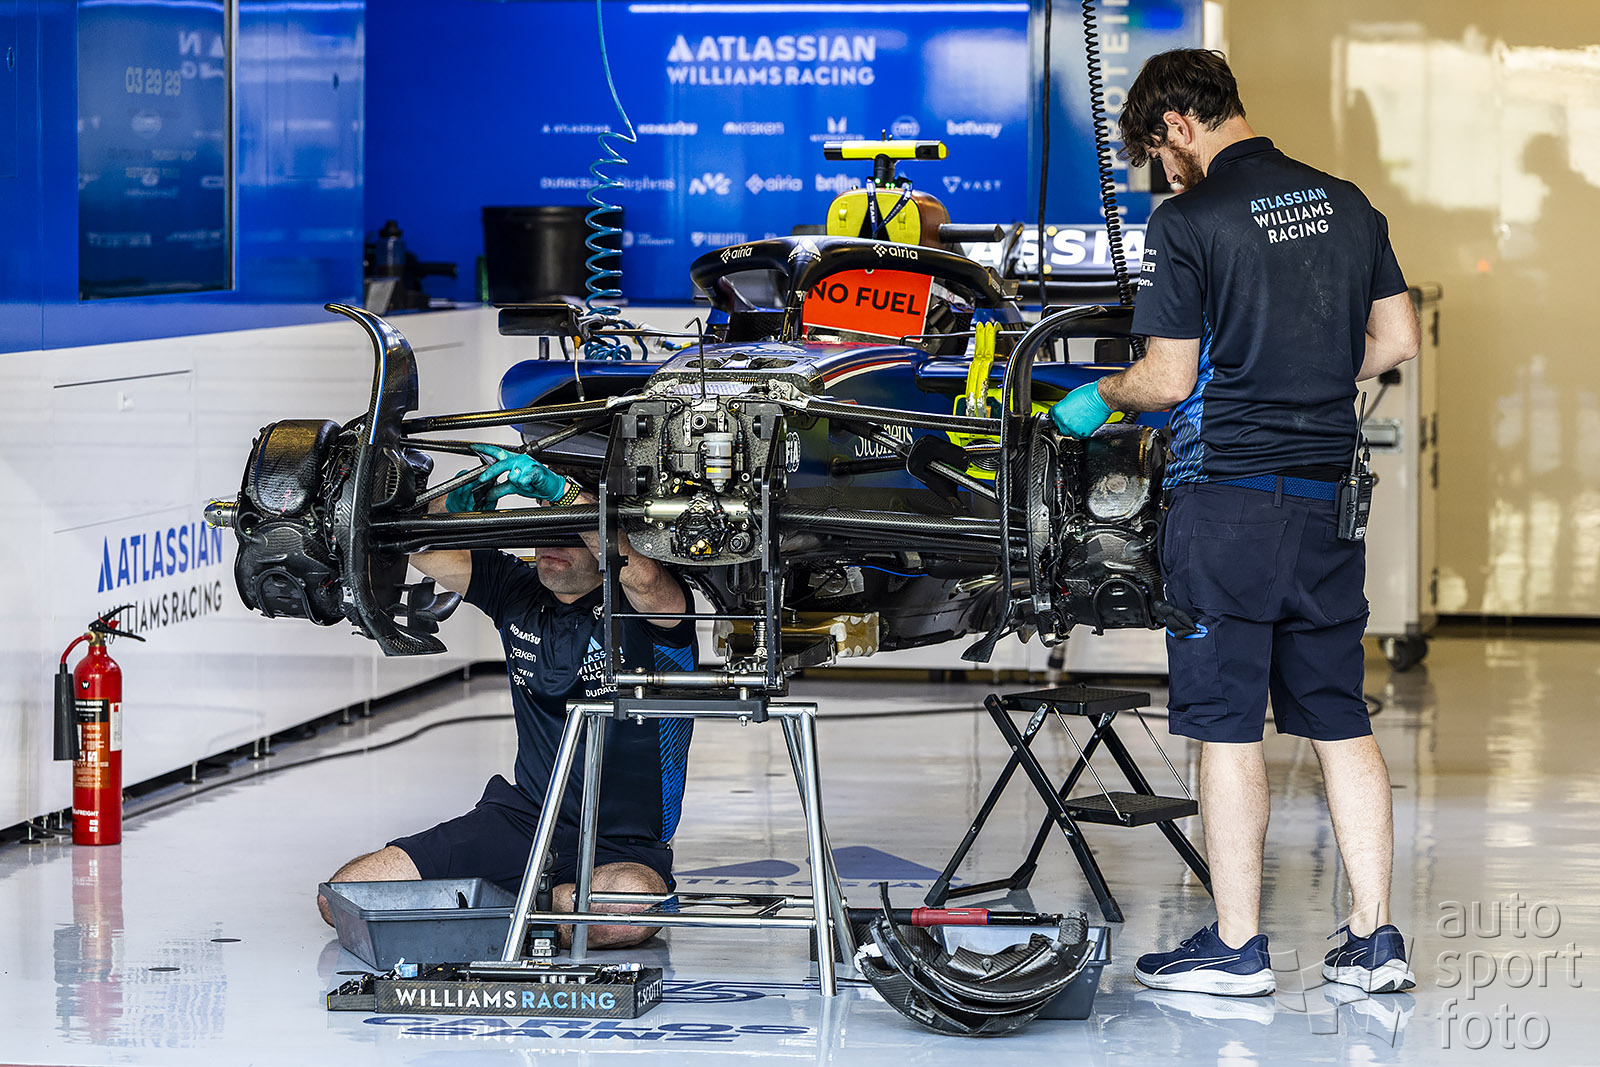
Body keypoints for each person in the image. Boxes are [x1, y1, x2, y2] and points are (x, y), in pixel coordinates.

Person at [1050, 49, 1421, 996]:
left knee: (1226, 725)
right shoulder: (1347, 202)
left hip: (1228, 505)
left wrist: (1098, 397)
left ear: (1179, 124)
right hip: (1329, 501)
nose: (1164, 175)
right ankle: (1374, 937)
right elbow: (1397, 339)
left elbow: (1168, 379)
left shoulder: (1191, 220)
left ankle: (1237, 944)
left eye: (1159, 154)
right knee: (1338, 714)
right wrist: (1309, 376)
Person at [316, 445, 696, 949]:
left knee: (626, 910)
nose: (548, 540)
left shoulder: (650, 610)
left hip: (622, 843)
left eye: (568, 529)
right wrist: (452, 503)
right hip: (521, 818)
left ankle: (497, 904)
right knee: (346, 896)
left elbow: (642, 576)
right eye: (542, 523)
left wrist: (564, 495)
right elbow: (422, 551)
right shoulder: (514, 589)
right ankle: (537, 906)